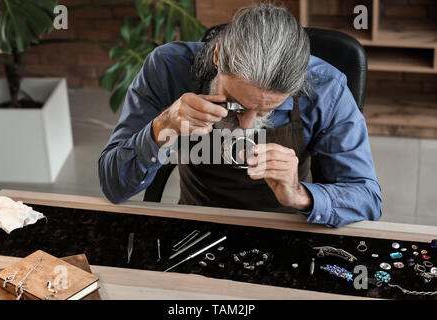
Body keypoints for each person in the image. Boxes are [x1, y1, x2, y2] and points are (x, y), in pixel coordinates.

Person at [98, 3, 382, 228]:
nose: (246, 125)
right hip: (198, 220)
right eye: (235, 104)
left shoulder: (327, 88)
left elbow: (367, 198)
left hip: (287, 226)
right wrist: (161, 127)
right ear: (218, 56)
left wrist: (299, 194)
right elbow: (114, 186)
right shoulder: (168, 68)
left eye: (267, 111)